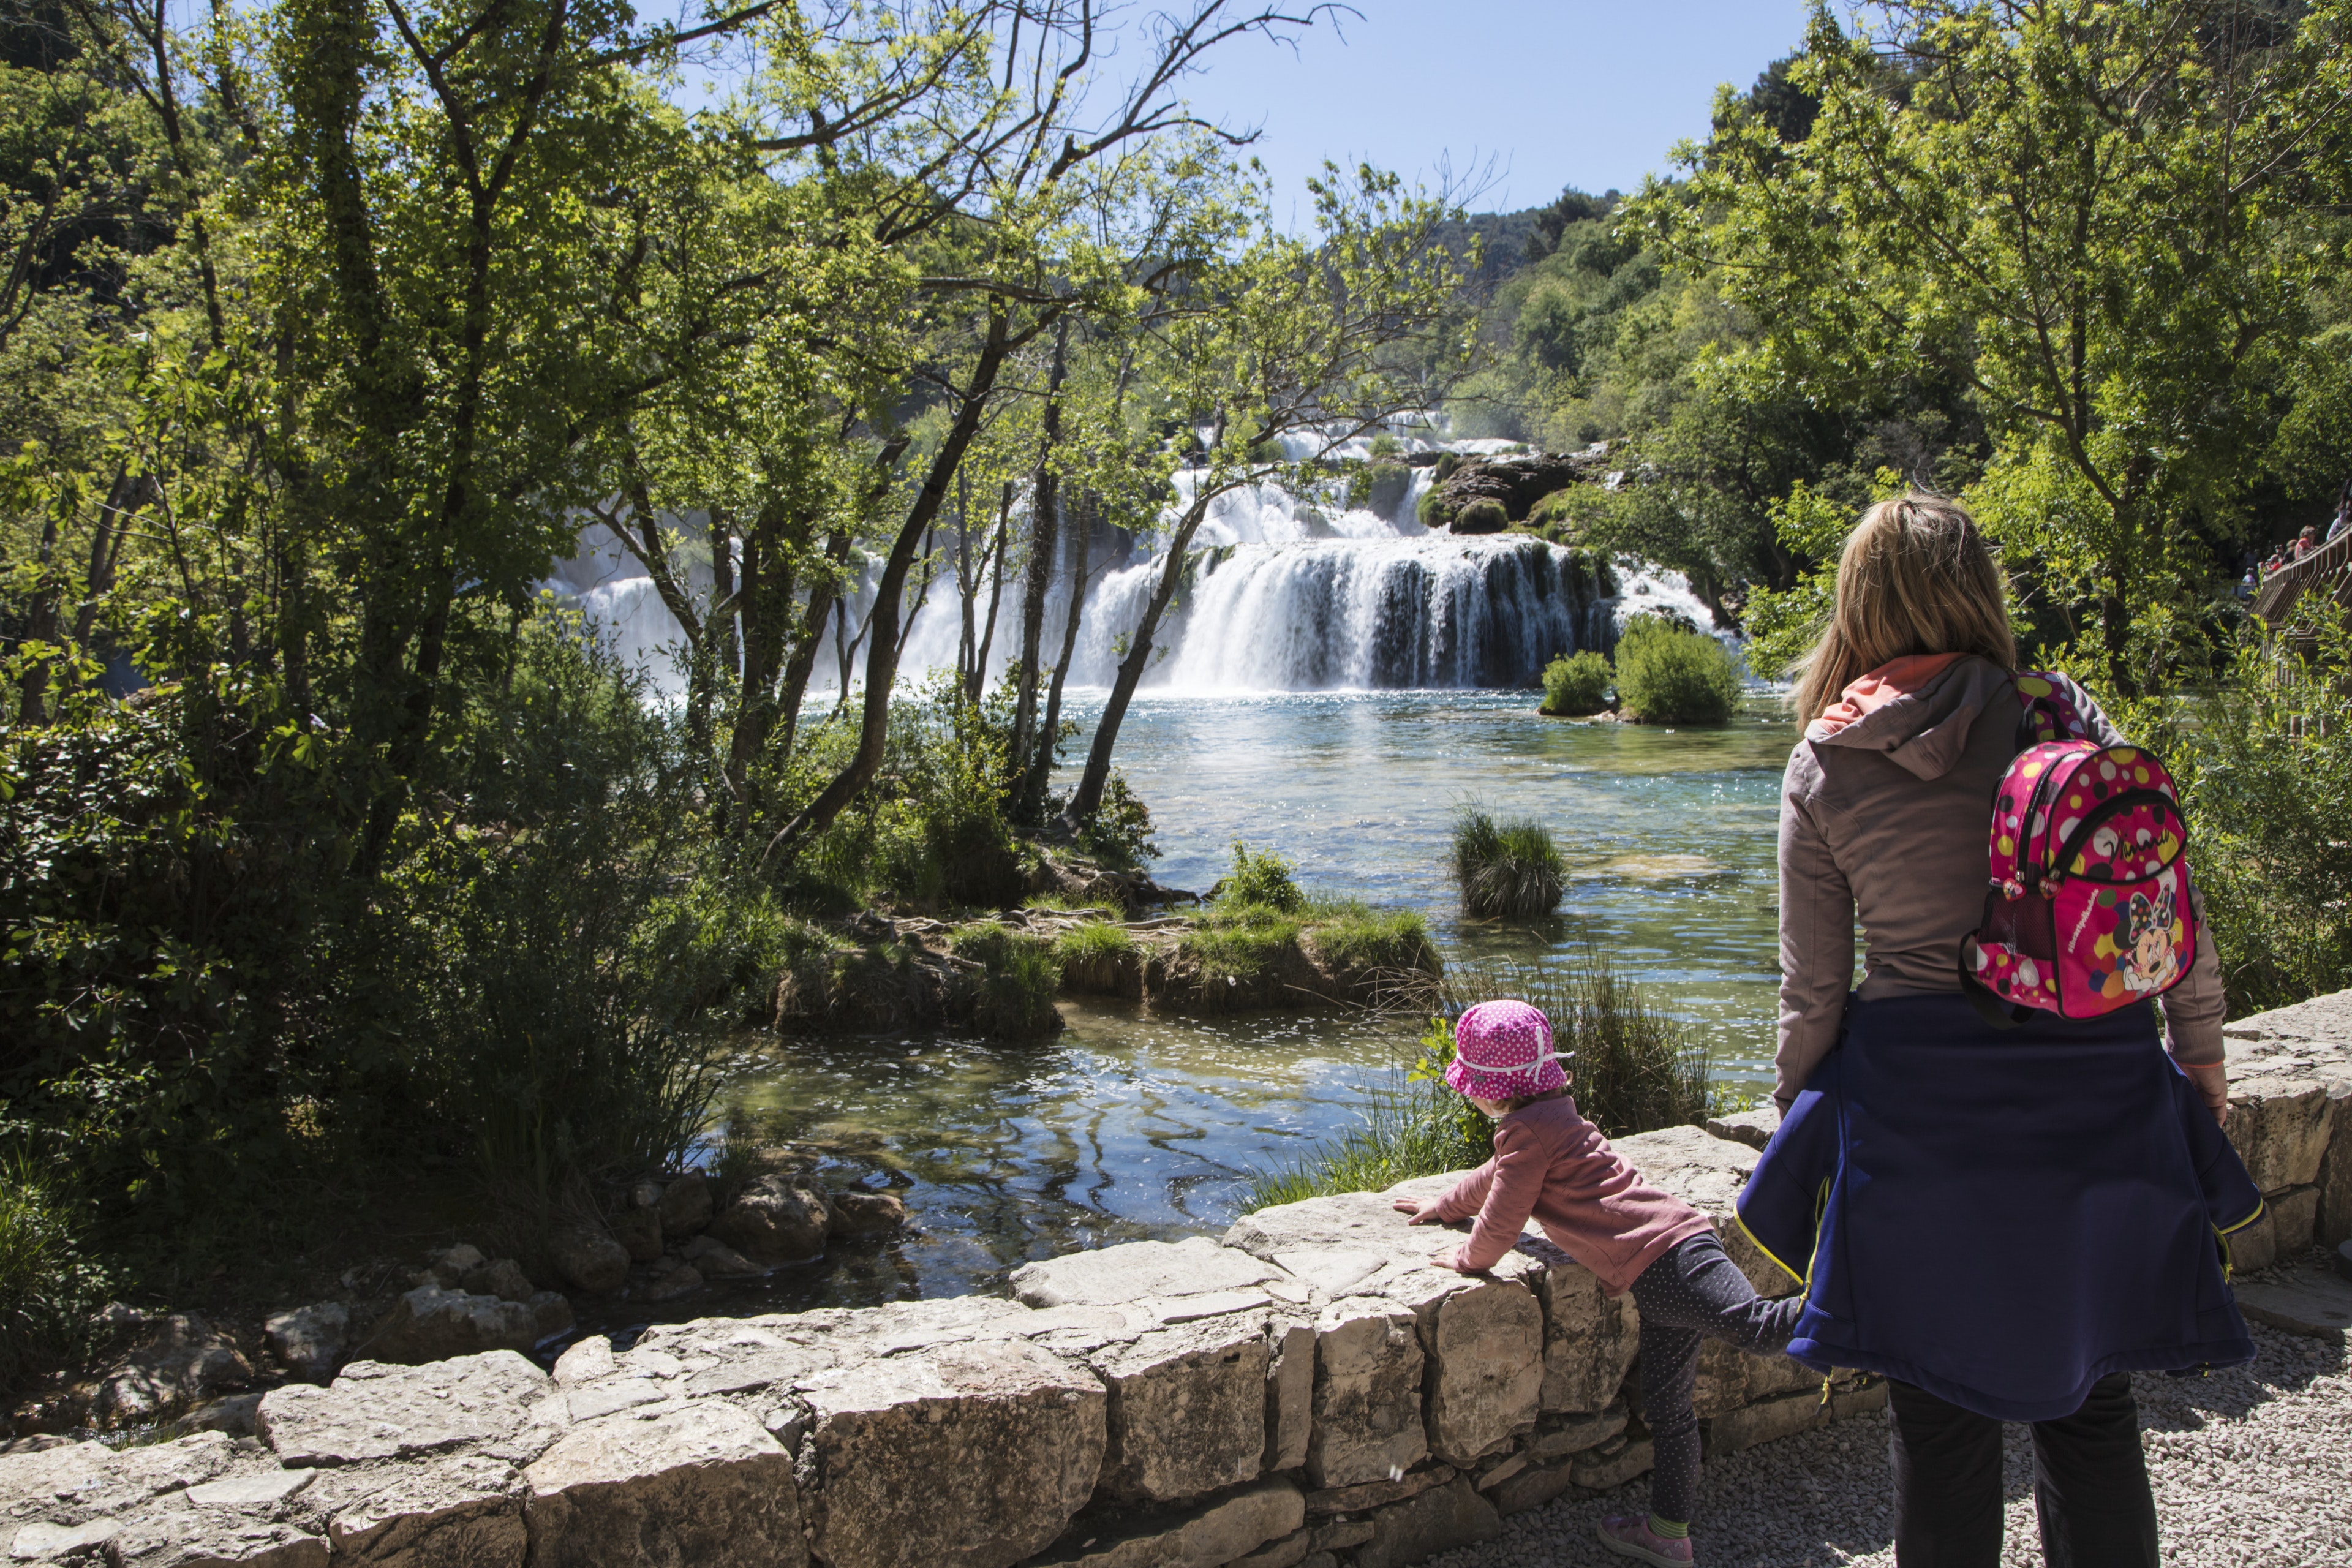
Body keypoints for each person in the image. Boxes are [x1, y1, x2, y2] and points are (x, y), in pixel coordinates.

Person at [1742, 493, 2258, 1568]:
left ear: (1858, 601)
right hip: (2099, 1092)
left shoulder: (1826, 760)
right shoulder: (2065, 717)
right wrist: (2200, 1053)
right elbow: (2170, 908)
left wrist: (1800, 1118)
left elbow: (1815, 991)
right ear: (1978, 588)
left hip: (1919, 1117)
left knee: (1938, 1429)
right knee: (2096, 1413)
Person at [1390, 1000, 1804, 1567]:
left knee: (1757, 1329)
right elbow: (1493, 1179)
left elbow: (1503, 1221)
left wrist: (1467, 1257)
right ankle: (1667, 1534)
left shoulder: (1526, 1133)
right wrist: (1443, 1204)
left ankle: (1858, 1294)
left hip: (1670, 1259)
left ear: (1488, 1087)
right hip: (1665, 1264)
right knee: (1669, 1410)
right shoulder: (1552, 1117)